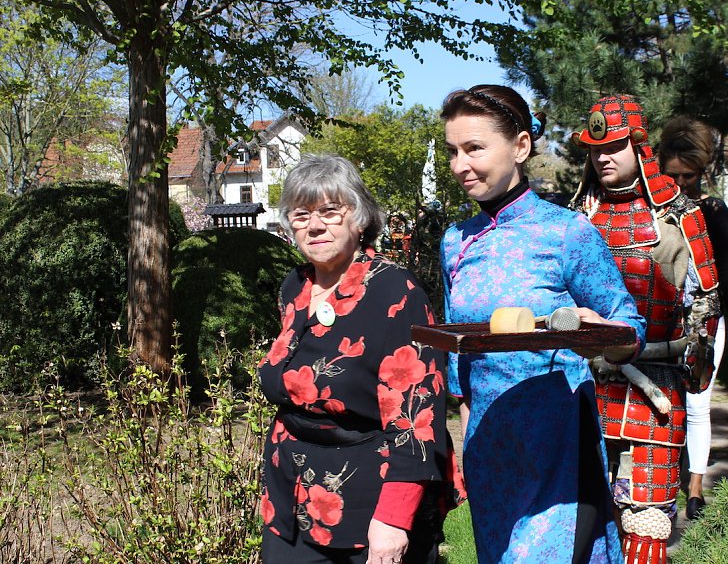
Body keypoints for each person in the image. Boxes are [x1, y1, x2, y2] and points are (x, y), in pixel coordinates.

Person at [440, 84, 646, 564]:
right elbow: (461, 360)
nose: (459, 165)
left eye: (474, 149)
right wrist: (468, 444)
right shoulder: (455, 241)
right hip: (489, 444)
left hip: (556, 440)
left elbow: (628, 327)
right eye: (452, 151)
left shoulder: (566, 232)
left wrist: (602, 336)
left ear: (520, 147)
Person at [257, 154, 463, 564]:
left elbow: (417, 419)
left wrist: (393, 520)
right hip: (289, 494)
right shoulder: (294, 287)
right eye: (300, 215)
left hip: (368, 503)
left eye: (330, 212)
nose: (314, 226)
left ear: (361, 218)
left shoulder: (394, 293)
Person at [570, 95, 721, 563]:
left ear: (638, 145)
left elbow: (708, 301)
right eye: (595, 149)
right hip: (583, 384)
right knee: (581, 520)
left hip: (654, 385)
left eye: (613, 146)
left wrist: (691, 360)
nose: (603, 157)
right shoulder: (578, 217)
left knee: (647, 527)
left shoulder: (679, 216)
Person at [659, 116, 728, 520]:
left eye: (689, 176)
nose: (680, 184)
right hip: (659, 318)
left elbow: (727, 269)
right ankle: (658, 479)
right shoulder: (648, 210)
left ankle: (694, 488)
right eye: (671, 175)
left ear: (703, 171)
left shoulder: (713, 210)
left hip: (707, 320)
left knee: (697, 405)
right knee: (662, 402)